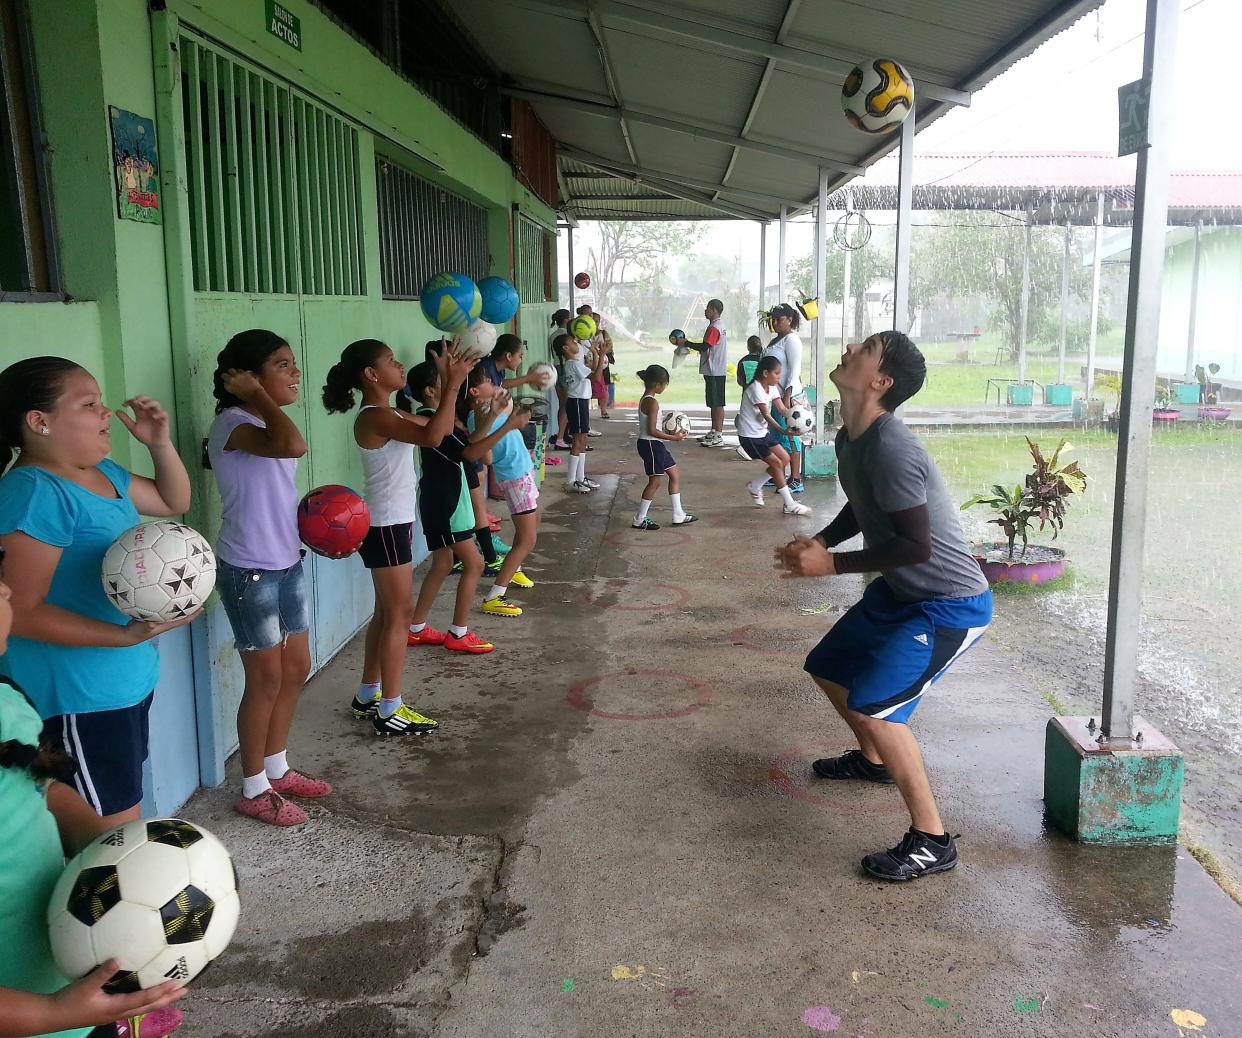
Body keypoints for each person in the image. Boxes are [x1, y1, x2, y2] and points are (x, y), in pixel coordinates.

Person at [774, 331, 992, 882]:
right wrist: (824, 540)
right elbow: (863, 504)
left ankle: (932, 840)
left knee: (877, 707)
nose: (848, 347)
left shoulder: (893, 445)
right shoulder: (853, 435)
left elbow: (914, 546)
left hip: (947, 604)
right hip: (899, 593)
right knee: (827, 667)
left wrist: (833, 566)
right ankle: (872, 762)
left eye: (864, 348)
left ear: (881, 381)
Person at [0, 358, 193, 829]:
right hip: (78, 694)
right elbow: (21, 612)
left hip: (121, 680)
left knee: (120, 806)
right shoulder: (35, 492)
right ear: (39, 422)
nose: (105, 413)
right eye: (89, 404)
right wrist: (123, 637)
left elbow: (174, 501)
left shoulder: (103, 472)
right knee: (108, 839)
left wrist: (160, 444)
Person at [0, 567, 188, 1038]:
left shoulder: (6, 700)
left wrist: (111, 847)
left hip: (76, 995)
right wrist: (49, 1014)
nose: (6, 587)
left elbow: (41, 789)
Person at [323, 340, 485, 741]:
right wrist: (450, 386)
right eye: (391, 361)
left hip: (391, 524)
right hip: (385, 526)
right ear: (371, 375)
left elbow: (441, 429)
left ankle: (367, 695)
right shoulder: (375, 415)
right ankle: (390, 708)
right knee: (398, 614)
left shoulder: (392, 412)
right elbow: (432, 439)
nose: (400, 366)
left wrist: (451, 384)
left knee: (386, 613)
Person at [208, 330, 327, 826]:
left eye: (293, 363)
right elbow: (292, 444)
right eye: (282, 365)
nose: (295, 373)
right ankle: (253, 787)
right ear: (250, 379)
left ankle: (276, 767)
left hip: (286, 561)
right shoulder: (233, 423)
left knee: (296, 666)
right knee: (267, 678)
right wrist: (255, 395)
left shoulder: (258, 419)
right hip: (248, 570)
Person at [399, 359, 524, 650]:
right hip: (446, 504)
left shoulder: (440, 418)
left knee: (443, 564)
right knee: (475, 563)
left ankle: (415, 627)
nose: (455, 384)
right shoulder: (431, 420)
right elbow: (470, 453)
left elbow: (471, 443)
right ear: (431, 391)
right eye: (446, 379)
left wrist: (492, 416)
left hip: (446, 501)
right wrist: (509, 426)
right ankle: (458, 633)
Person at [465, 370, 539, 618]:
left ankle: (514, 566)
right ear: (475, 392)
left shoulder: (486, 412)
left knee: (529, 530)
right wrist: (510, 424)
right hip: (516, 478)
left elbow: (486, 455)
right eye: (486, 382)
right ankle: (495, 596)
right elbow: (482, 452)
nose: (491, 383)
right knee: (527, 540)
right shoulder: (480, 415)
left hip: (522, 472)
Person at [737, 357, 812, 517]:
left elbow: (782, 409)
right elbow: (767, 415)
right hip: (750, 436)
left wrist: (796, 418)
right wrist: (784, 431)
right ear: (765, 373)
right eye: (777, 374)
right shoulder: (755, 389)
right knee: (777, 463)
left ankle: (755, 485)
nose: (779, 377)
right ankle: (789, 504)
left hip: (761, 433)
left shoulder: (771, 388)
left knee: (785, 459)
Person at [631, 366, 696, 531]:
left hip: (656, 445)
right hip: (650, 444)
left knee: (674, 474)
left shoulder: (646, 398)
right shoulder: (652, 403)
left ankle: (678, 514)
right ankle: (640, 518)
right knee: (655, 481)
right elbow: (652, 430)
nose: (665, 387)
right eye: (665, 384)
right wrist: (674, 437)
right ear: (658, 384)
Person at [762, 304, 805, 492]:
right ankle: (780, 474)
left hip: (789, 396)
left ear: (789, 319)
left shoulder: (791, 340)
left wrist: (787, 394)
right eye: (774, 319)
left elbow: (794, 370)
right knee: (777, 436)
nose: (776, 323)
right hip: (775, 396)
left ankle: (796, 478)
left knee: (791, 435)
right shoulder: (775, 341)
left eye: (779, 319)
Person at [675, 299, 728, 446]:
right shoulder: (718, 325)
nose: (705, 311)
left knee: (717, 403)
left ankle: (718, 434)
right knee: (713, 402)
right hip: (714, 369)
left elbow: (705, 347)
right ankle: (713, 431)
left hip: (715, 370)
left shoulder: (715, 327)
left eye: (707, 309)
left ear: (714, 310)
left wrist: (686, 343)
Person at [558, 332, 606, 494]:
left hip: (581, 402)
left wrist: (594, 353)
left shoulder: (574, 363)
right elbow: (597, 376)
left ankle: (580, 477)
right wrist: (601, 355)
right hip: (577, 402)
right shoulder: (573, 364)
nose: (575, 343)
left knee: (583, 439)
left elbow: (591, 369)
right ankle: (571, 480)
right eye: (572, 342)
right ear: (566, 348)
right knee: (578, 440)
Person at [548, 310, 572, 451]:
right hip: (564, 368)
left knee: (563, 403)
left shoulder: (553, 335)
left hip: (556, 368)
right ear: (566, 319)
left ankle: (562, 435)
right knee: (567, 405)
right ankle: (561, 438)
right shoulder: (565, 336)